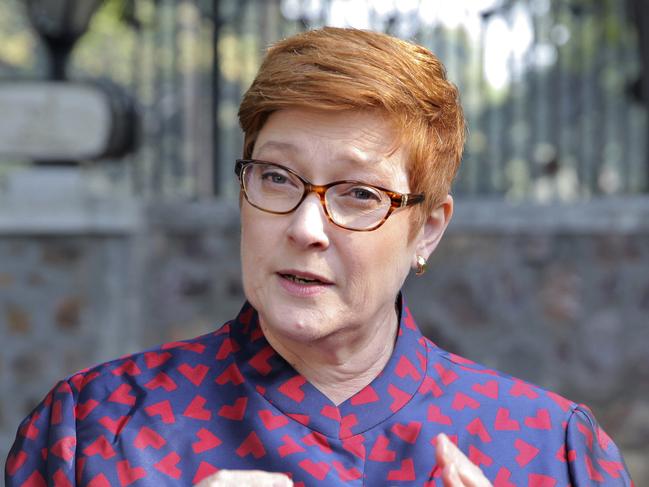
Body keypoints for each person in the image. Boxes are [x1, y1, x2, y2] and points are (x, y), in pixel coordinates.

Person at [5, 27, 632, 487]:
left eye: (360, 194)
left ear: (427, 231)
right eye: (277, 178)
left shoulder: (551, 452)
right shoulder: (95, 433)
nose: (306, 227)